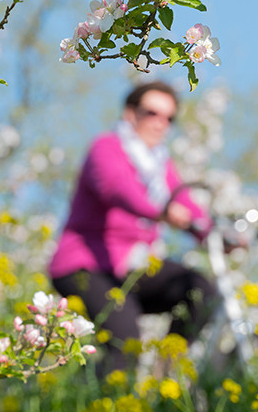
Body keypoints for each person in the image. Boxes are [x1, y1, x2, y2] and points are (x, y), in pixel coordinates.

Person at [49, 81, 219, 373]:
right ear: (130, 114)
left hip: (132, 266)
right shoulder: (107, 147)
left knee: (201, 290)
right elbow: (116, 188)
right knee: (125, 341)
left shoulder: (160, 166)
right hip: (87, 266)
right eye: (151, 113)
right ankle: (97, 411)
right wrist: (162, 211)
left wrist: (216, 234)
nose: (160, 123)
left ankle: (165, 372)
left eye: (169, 118)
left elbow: (187, 205)